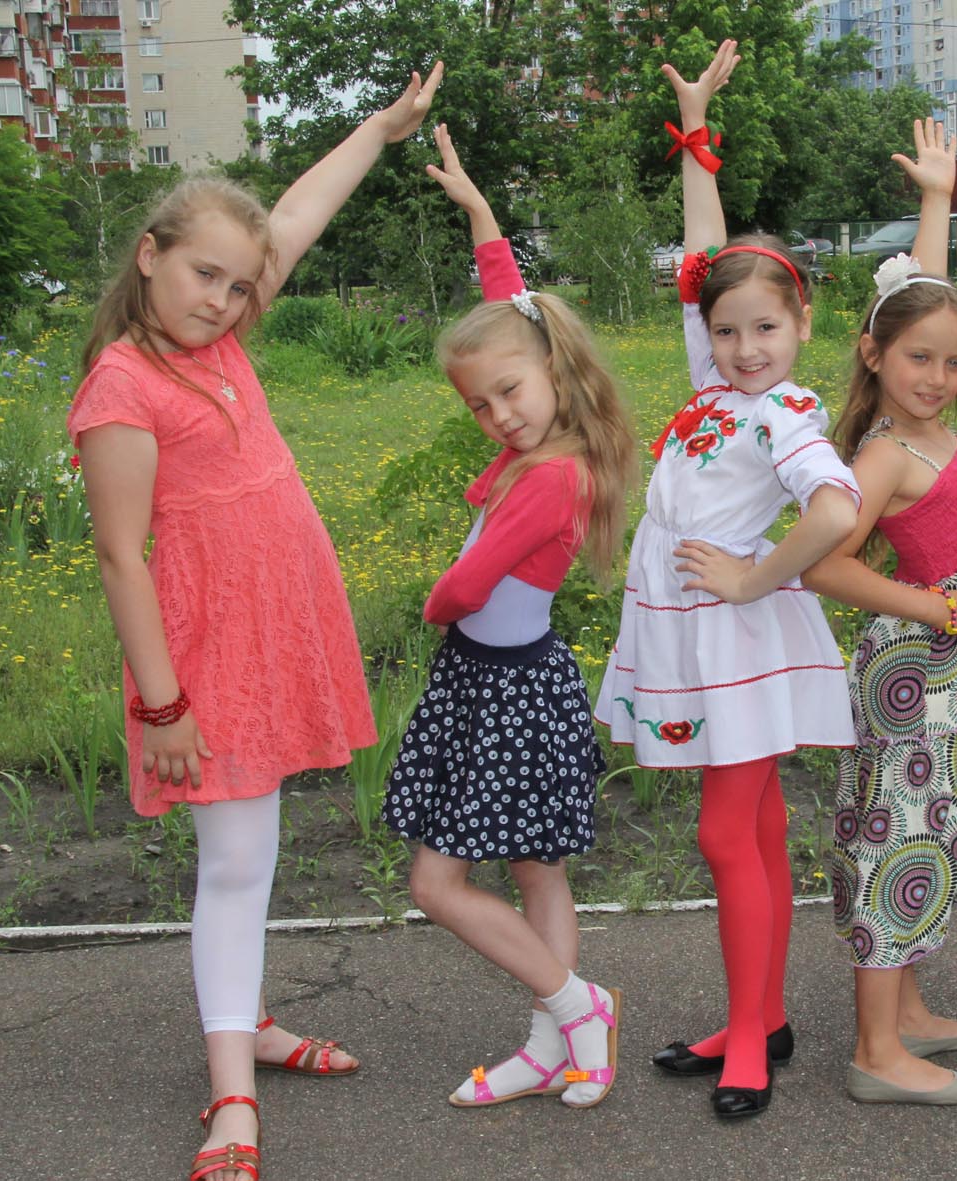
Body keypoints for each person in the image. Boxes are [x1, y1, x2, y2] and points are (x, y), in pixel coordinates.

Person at [68, 65, 443, 1181]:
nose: (224, 301)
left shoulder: (217, 343)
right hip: (207, 656)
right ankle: (231, 1096)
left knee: (256, 852)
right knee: (234, 862)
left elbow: (294, 218)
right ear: (149, 255)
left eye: (239, 286)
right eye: (203, 276)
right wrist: (163, 705)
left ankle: (249, 1018)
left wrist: (379, 129)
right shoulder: (123, 385)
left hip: (276, 629)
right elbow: (120, 556)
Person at [595, 39, 861, 1119]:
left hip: (734, 635)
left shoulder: (784, 411)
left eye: (767, 329)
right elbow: (705, 257)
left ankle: (750, 1035)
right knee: (750, 830)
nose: (746, 347)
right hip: (692, 632)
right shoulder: (715, 386)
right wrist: (697, 131)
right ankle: (763, 1013)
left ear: (802, 325)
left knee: (724, 834)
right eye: (728, 330)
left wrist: (755, 580)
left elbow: (834, 511)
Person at [380, 124, 639, 1111]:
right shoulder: (547, 420)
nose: (499, 415)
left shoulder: (549, 479)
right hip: (509, 679)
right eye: (480, 407)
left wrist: (430, 602)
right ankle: (558, 1046)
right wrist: (483, 216)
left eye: (509, 394)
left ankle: (579, 1007)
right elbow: (511, 314)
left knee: (435, 883)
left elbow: (466, 585)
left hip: (503, 689)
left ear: (552, 373)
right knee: (537, 868)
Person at [804, 120, 957, 1107]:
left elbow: (922, 299)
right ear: (873, 355)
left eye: (953, 362)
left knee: (929, 833)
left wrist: (938, 200)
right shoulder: (885, 452)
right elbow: (823, 563)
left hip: (953, 670)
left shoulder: (922, 420)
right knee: (898, 840)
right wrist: (931, 604)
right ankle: (875, 1050)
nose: (938, 376)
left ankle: (902, 1012)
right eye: (918, 360)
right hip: (917, 673)